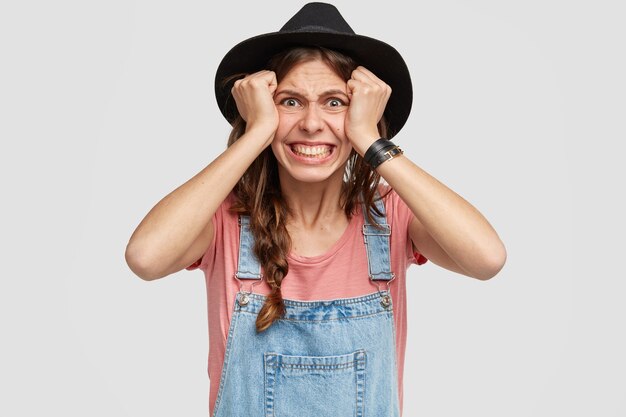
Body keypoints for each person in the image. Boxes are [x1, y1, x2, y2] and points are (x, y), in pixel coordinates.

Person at [125, 3, 507, 416]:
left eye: (335, 103)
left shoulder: (390, 215)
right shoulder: (224, 221)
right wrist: (254, 136)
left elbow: (487, 259)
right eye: (290, 103)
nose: (311, 123)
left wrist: (370, 139)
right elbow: (145, 258)